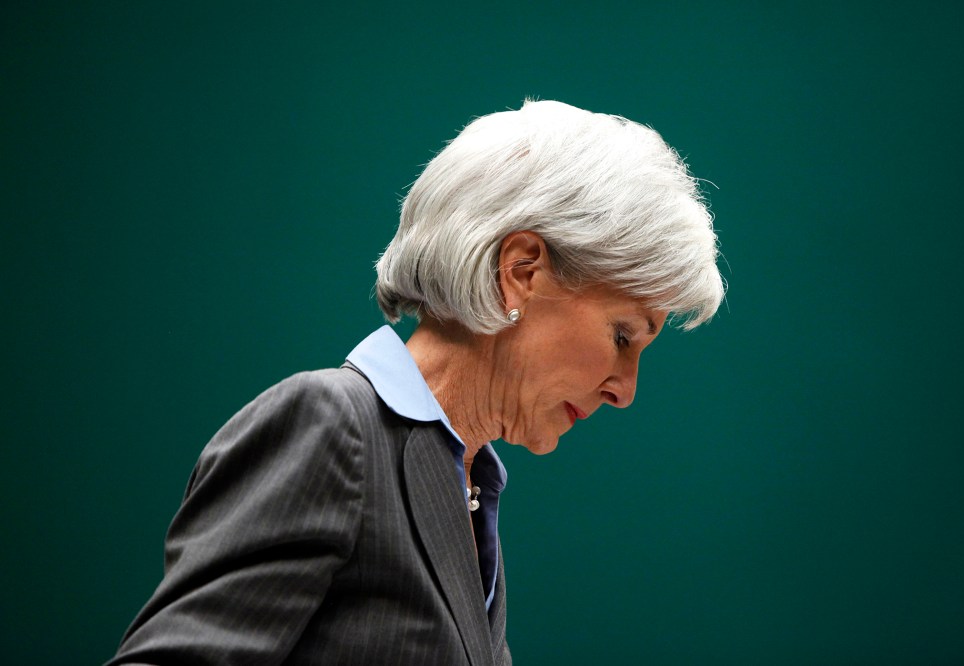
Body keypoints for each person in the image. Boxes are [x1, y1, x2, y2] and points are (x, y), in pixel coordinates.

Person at [108, 99, 724, 665]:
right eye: (623, 335)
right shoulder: (332, 426)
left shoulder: (470, 479)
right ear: (521, 270)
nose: (625, 390)